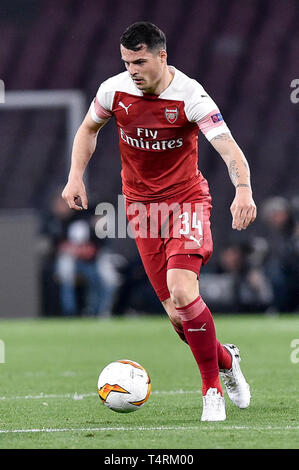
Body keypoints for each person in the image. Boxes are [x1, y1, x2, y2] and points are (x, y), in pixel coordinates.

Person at [62, 22, 257, 421]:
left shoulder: (190, 96)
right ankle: (226, 358)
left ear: (161, 56)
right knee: (177, 316)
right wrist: (75, 175)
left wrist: (244, 189)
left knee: (183, 291)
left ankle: (211, 392)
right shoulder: (113, 91)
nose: (132, 69)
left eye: (139, 61)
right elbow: (87, 129)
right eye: (126, 62)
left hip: (186, 202)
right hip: (142, 211)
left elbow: (228, 149)